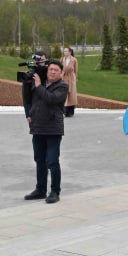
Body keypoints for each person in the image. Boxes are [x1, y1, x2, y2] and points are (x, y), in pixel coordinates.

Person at [22, 59, 68, 204]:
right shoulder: (39, 84)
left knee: (52, 161)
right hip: (38, 127)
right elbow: (29, 99)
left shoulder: (62, 86)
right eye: (50, 70)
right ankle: (40, 189)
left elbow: (51, 99)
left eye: (56, 70)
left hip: (53, 129)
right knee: (39, 160)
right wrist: (29, 113)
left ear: (61, 73)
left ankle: (55, 191)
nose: (52, 72)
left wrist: (38, 86)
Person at [60, 46, 78, 117]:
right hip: (63, 78)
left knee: (71, 95)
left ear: (70, 52)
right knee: (64, 94)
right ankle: (64, 111)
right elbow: (60, 68)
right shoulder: (62, 59)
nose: (65, 52)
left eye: (66, 51)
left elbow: (76, 70)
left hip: (71, 78)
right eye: (64, 51)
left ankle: (71, 111)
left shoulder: (74, 60)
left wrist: (75, 78)